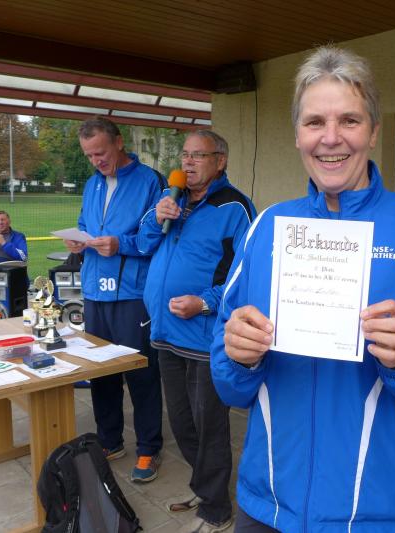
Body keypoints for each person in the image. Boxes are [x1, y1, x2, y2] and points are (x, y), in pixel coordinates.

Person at [210, 46, 395, 533]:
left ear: (374, 131)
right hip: (271, 506)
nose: (331, 138)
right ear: (297, 135)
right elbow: (228, 375)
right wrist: (238, 355)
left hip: (382, 515)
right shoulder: (268, 227)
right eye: (314, 122)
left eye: (349, 120)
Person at [137, 130, 255, 533]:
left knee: (209, 426)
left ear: (220, 161)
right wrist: (157, 217)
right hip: (165, 332)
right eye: (184, 155)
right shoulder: (170, 198)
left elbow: (244, 275)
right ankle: (206, 488)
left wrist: (204, 303)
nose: (187, 162)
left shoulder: (234, 207)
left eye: (198, 155)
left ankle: (216, 509)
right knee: (182, 422)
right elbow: (143, 244)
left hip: (204, 338)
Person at [64, 116, 164, 483]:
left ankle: (149, 447)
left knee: (141, 373)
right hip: (95, 291)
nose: (96, 161)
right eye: (89, 155)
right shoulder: (92, 184)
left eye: (101, 152)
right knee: (101, 372)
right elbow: (84, 223)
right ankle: (110, 440)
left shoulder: (151, 181)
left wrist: (121, 244)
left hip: (132, 293)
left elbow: (158, 237)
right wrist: (78, 240)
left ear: (119, 142)